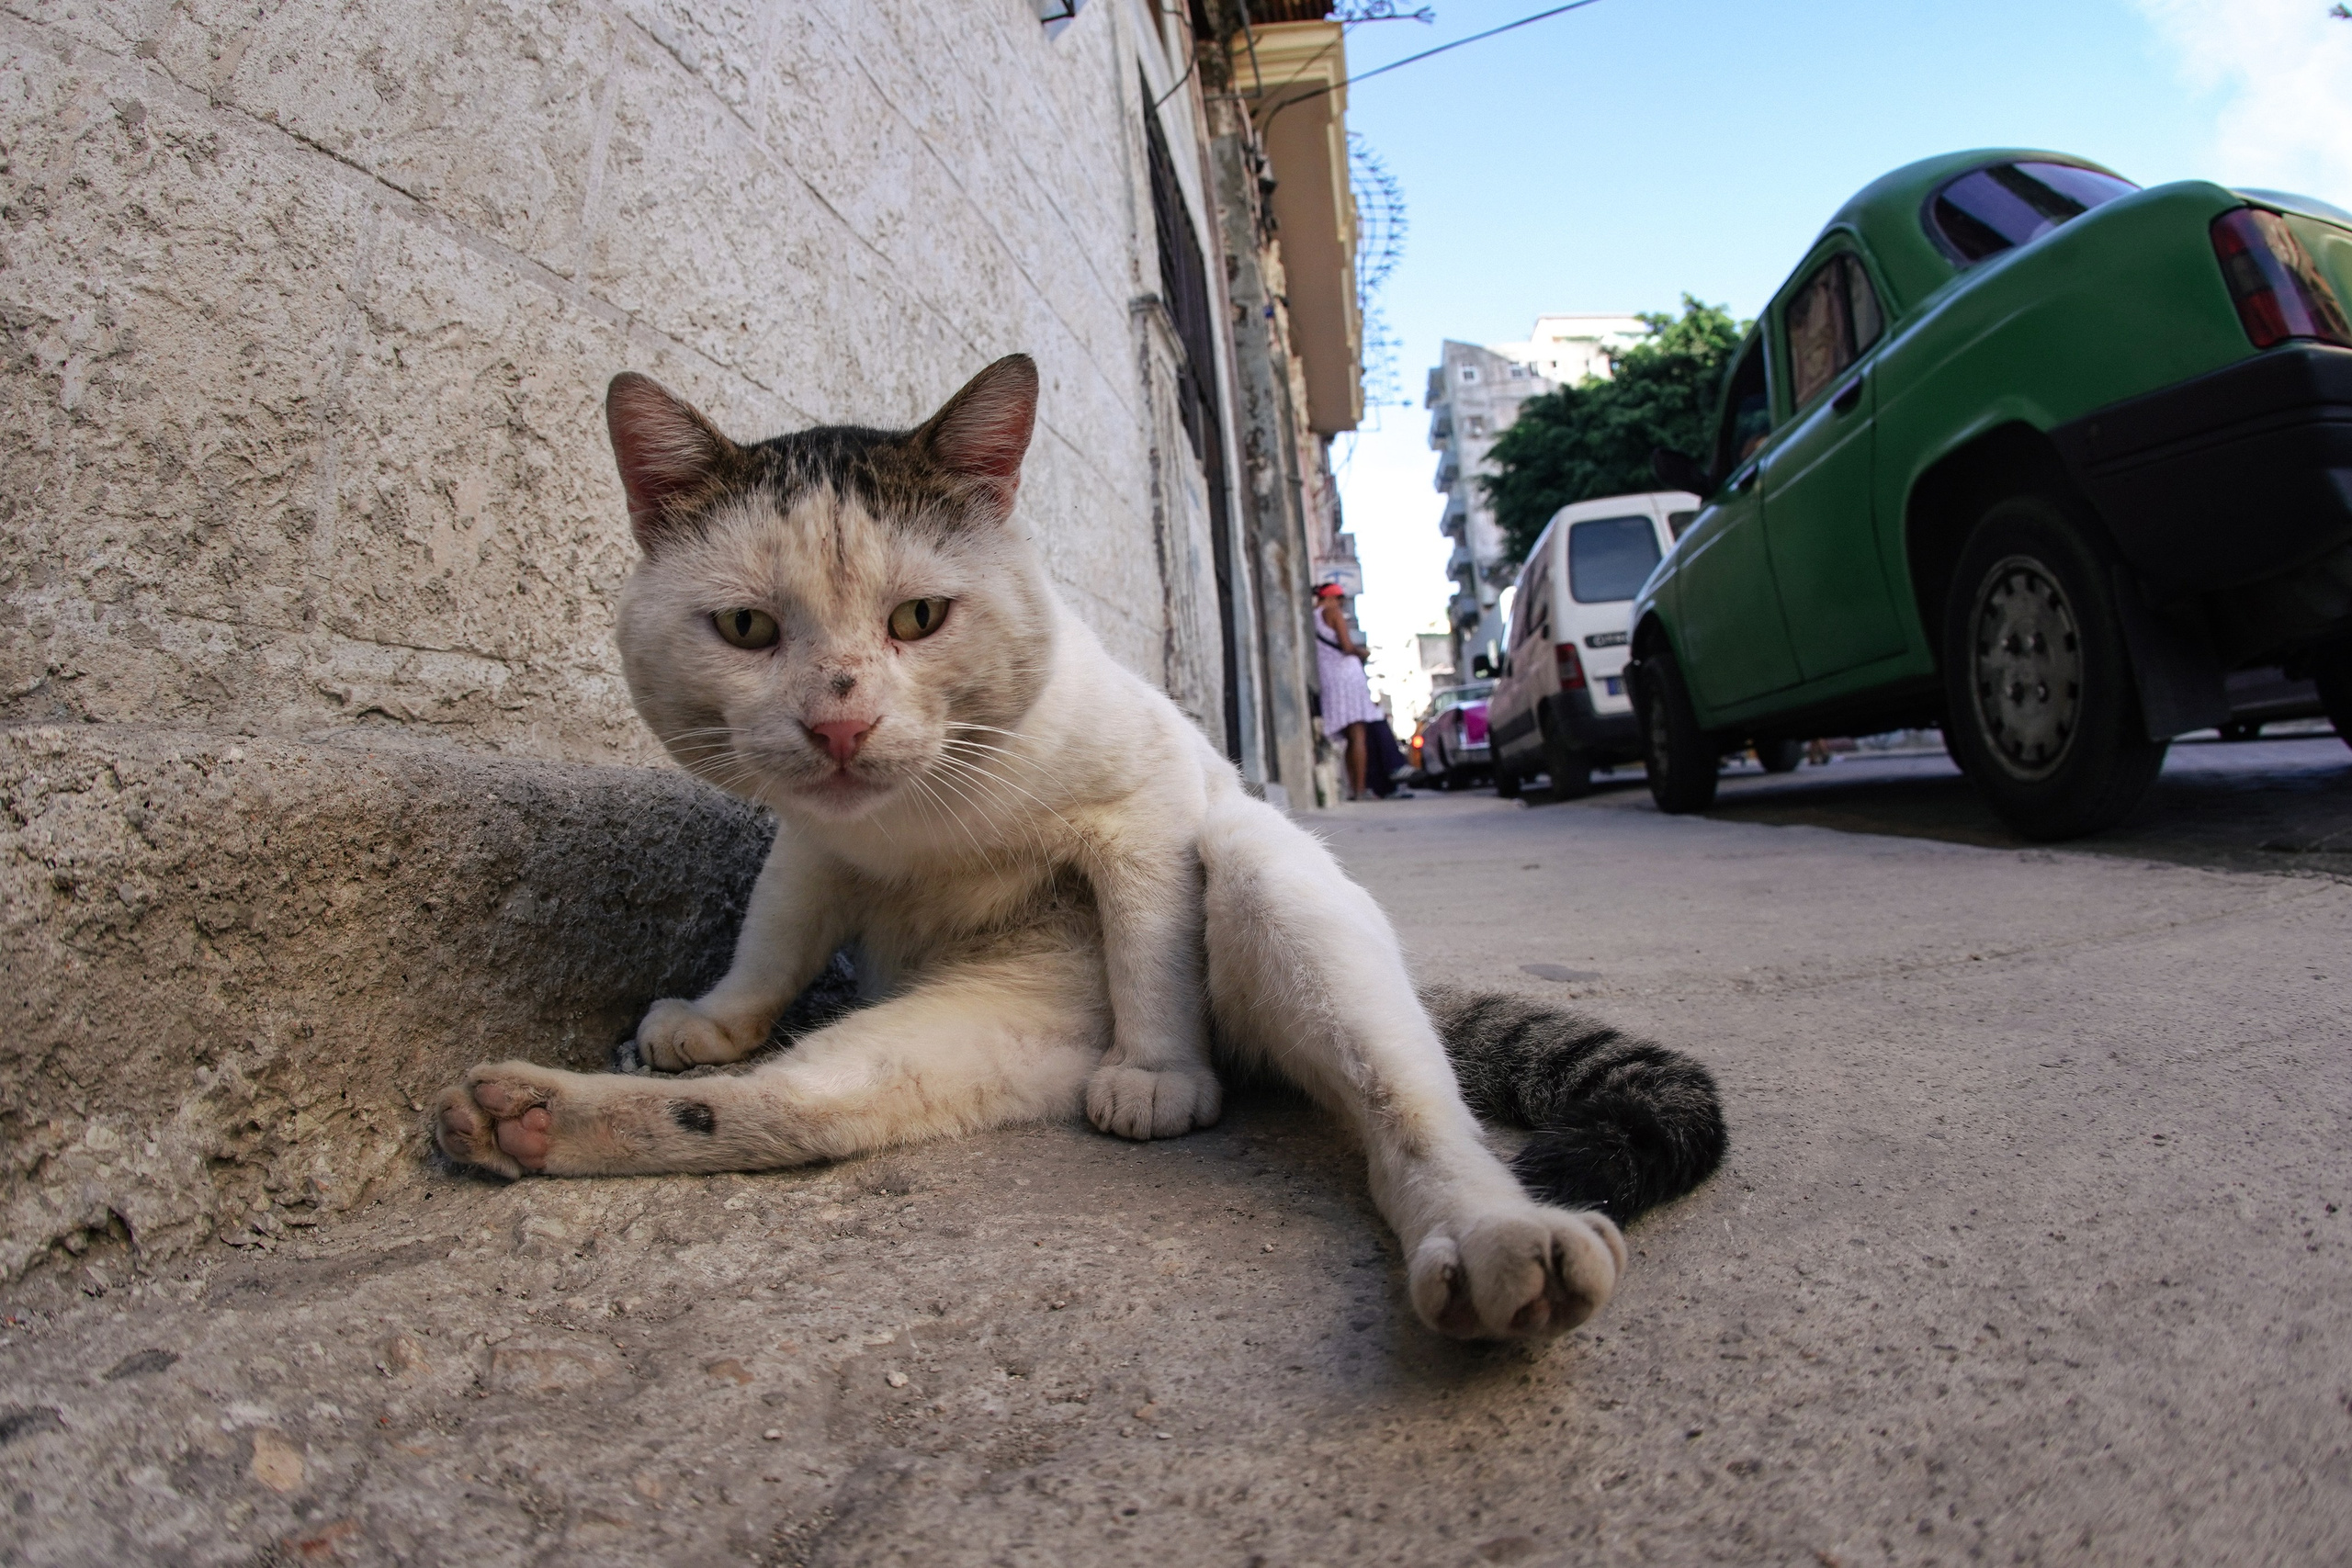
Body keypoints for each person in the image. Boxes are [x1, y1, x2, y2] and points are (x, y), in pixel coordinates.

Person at [1314, 581, 1384, 801]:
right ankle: (1359, 789)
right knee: (1358, 735)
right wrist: (1362, 652)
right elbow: (1346, 646)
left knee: (1346, 737)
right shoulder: (1332, 612)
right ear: (1334, 598)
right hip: (1347, 676)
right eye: (1341, 599)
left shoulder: (1312, 616)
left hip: (1329, 677)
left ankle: (1353, 788)